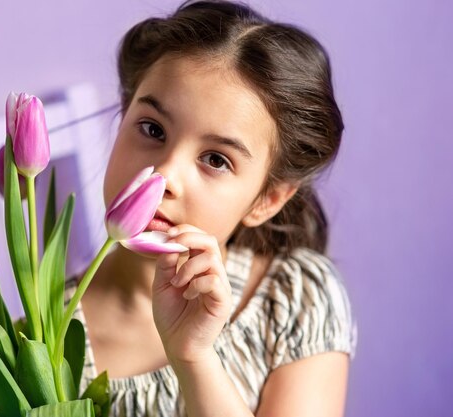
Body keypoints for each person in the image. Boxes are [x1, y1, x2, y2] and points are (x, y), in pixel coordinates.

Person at [66, 1, 357, 416]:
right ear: (124, 112)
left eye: (216, 160)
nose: (164, 176)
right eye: (152, 129)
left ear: (267, 200)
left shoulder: (295, 298)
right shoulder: (46, 337)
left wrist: (194, 358)